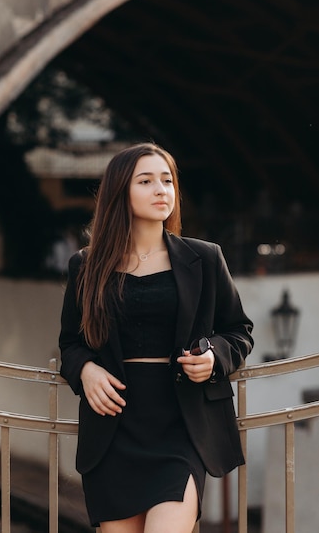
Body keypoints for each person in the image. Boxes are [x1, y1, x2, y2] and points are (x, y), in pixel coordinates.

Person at [59, 142, 254, 533]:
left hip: (181, 425)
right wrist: (87, 372)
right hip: (114, 427)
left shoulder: (206, 258)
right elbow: (70, 342)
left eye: (167, 180)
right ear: (120, 192)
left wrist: (214, 357)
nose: (161, 190)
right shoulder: (86, 266)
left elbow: (239, 331)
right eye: (146, 181)